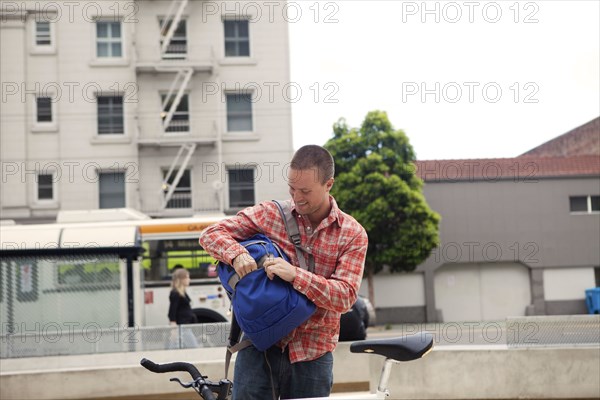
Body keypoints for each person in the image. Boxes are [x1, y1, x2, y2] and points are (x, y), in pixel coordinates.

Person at [199, 145, 368, 399]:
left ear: (329, 184)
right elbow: (210, 234)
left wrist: (295, 276)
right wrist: (236, 254)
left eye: (305, 191)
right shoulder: (270, 215)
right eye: (292, 188)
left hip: (314, 355)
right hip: (257, 347)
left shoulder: (352, 234)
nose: (297, 197)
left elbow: (345, 296)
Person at [168, 268, 198, 348]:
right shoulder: (176, 293)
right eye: (187, 277)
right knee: (194, 347)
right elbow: (172, 312)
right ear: (181, 279)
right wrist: (173, 328)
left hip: (185, 326)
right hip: (182, 327)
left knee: (175, 347)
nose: (189, 279)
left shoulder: (182, 292)